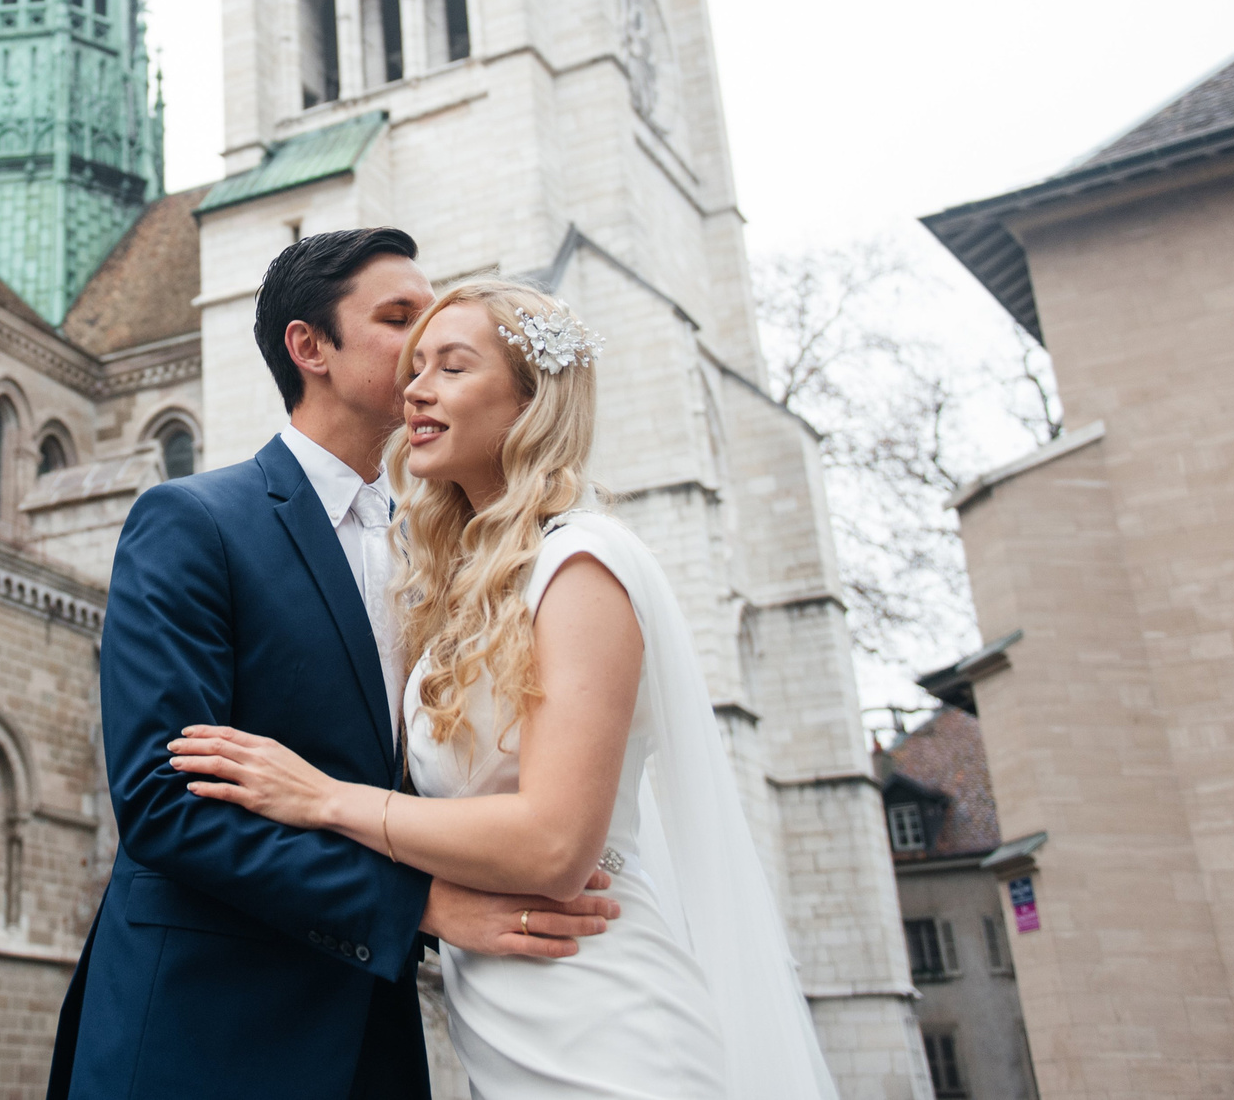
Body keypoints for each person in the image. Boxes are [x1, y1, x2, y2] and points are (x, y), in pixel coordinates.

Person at [165, 279, 841, 1099]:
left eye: (452, 367)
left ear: (532, 400)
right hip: (506, 1017)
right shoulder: (465, 589)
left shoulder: (581, 564)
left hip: (602, 1014)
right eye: (416, 366)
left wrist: (322, 798)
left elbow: (555, 845)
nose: (415, 387)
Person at [48, 235, 624, 1100]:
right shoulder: (192, 521)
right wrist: (420, 905)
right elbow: (165, 805)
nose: (423, 336)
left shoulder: (454, 552)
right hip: (205, 1029)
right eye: (397, 318)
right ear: (309, 348)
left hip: (376, 1034)